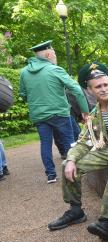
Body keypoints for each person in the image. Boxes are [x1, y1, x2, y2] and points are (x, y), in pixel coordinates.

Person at [47, 62, 108, 242]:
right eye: (98, 86)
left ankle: (106, 223)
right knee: (68, 164)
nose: (103, 89)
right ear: (89, 90)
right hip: (106, 151)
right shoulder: (92, 115)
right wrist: (71, 159)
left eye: (106, 85)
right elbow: (83, 142)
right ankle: (75, 210)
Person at [19, 40, 89, 183]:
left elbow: (23, 95)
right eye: (54, 53)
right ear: (48, 53)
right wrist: (85, 111)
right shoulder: (55, 70)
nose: (55, 55)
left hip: (38, 115)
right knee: (70, 142)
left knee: (45, 144)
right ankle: (73, 172)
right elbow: (77, 90)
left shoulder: (24, 72)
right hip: (59, 113)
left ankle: (51, 175)